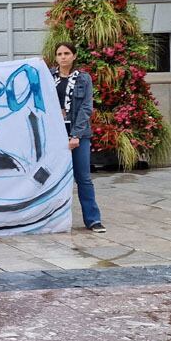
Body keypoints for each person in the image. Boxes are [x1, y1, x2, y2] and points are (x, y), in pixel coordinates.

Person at [52, 41, 105, 233]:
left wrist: (76, 134)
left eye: (67, 53)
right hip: (55, 134)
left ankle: (93, 219)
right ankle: (53, 220)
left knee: (83, 177)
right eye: (59, 54)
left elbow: (86, 108)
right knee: (54, 178)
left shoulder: (83, 78)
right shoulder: (49, 77)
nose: (63, 57)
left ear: (74, 56)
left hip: (78, 134)